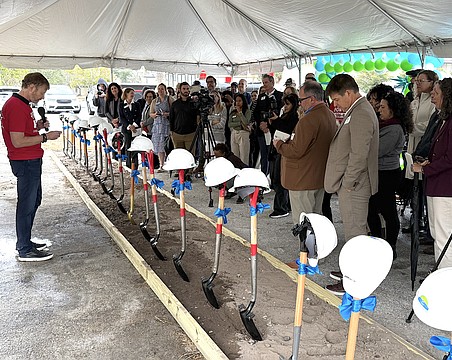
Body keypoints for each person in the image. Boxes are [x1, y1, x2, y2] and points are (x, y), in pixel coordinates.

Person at [324, 74, 379, 295]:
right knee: (353, 228)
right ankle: (350, 271)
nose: (335, 105)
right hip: (353, 183)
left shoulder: (362, 113)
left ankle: (354, 281)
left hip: (355, 184)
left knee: (356, 232)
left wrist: (347, 182)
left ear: (348, 93)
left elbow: (359, 153)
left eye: (337, 100)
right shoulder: (357, 110)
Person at [1, 72, 61, 261]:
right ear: (32, 87)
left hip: (30, 159)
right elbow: (18, 141)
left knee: (34, 200)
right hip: (25, 161)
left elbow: (23, 132)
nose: (42, 96)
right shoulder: (17, 106)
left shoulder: (22, 105)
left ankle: (25, 241)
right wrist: (45, 137)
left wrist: (38, 125)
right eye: (42, 92)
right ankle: (24, 249)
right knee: (27, 203)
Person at [274, 82, 336, 225]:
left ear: (312, 99)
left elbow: (296, 150)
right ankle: (314, 247)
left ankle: (305, 248)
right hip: (317, 177)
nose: (300, 104)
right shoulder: (329, 115)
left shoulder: (308, 119)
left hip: (302, 179)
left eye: (301, 100)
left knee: (304, 223)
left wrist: (279, 145)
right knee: (316, 219)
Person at [367, 91, 413, 260]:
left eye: (383, 107)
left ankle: (390, 245)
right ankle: (379, 242)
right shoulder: (385, 124)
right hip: (380, 172)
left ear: (393, 109)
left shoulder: (394, 129)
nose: (379, 110)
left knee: (387, 210)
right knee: (373, 209)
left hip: (387, 174)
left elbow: (377, 151)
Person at [413, 78, 452, 268]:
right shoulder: (443, 119)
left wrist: (425, 168)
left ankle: (445, 279)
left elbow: (450, 158)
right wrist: (429, 161)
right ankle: (441, 273)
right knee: (438, 234)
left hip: (445, 188)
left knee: (444, 236)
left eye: (436, 94)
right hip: (437, 186)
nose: (433, 97)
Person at [266, 93, 300, 218]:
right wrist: (273, 122)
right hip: (277, 149)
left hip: (284, 150)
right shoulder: (285, 115)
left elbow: (286, 129)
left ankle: (281, 208)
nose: (285, 107)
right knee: (277, 179)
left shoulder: (295, 117)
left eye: (288, 104)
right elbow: (276, 130)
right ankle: (285, 205)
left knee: (280, 180)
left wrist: (277, 121)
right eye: (284, 104)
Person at [253, 74, 283, 175]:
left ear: (272, 82)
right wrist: (261, 124)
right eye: (263, 83)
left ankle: (272, 177)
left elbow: (279, 113)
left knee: (272, 155)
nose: (264, 84)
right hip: (261, 131)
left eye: (266, 82)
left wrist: (268, 125)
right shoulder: (261, 96)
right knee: (263, 154)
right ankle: (263, 175)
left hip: (273, 130)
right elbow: (256, 112)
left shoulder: (279, 95)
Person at [169, 81, 199, 151]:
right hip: (177, 134)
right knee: (179, 156)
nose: (186, 90)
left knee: (190, 156)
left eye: (187, 89)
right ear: (180, 90)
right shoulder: (175, 104)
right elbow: (171, 118)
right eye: (184, 89)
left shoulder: (194, 103)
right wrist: (171, 132)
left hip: (191, 134)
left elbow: (198, 116)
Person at [150, 83, 172, 170]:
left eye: (162, 89)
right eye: (159, 89)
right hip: (157, 125)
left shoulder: (169, 99)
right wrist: (154, 115)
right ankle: (161, 164)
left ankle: (169, 163)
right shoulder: (154, 101)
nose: (160, 90)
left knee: (167, 145)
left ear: (165, 90)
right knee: (159, 145)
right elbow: (151, 113)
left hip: (167, 124)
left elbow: (174, 112)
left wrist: (167, 114)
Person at [119, 87, 142, 168]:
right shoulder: (121, 105)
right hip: (127, 129)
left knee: (135, 146)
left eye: (133, 93)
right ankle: (129, 163)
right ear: (126, 94)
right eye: (131, 93)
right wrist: (129, 126)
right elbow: (121, 118)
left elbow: (139, 116)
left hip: (135, 129)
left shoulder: (136, 104)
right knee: (128, 145)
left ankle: (135, 164)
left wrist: (134, 125)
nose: (132, 95)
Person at [228, 93, 251, 165]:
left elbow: (246, 122)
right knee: (235, 156)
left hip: (243, 133)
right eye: (236, 101)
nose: (238, 103)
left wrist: (240, 113)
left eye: (239, 101)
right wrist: (239, 123)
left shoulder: (247, 111)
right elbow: (229, 124)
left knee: (244, 156)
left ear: (243, 101)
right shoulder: (233, 112)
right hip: (234, 133)